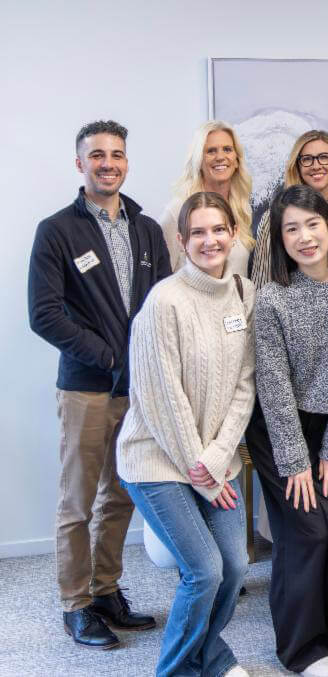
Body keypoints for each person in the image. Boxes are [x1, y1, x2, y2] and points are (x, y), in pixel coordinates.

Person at [28, 120, 167, 649]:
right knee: (78, 501)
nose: (108, 162)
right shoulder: (57, 230)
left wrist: (147, 365)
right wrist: (109, 356)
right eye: (97, 155)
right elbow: (44, 315)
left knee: (121, 495)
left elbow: (160, 306)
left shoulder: (147, 228)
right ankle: (76, 603)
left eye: (117, 154)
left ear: (126, 161)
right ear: (79, 162)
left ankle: (106, 589)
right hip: (87, 388)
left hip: (139, 391)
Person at [116, 192, 254, 677]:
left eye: (218, 229)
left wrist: (217, 459)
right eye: (198, 232)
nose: (209, 240)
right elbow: (163, 403)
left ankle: (209, 655)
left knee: (236, 566)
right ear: (181, 240)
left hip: (214, 462)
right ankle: (175, 670)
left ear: (232, 234)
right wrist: (204, 475)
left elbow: (245, 385)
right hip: (156, 460)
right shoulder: (164, 301)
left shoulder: (243, 294)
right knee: (205, 572)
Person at [244, 184, 328, 677]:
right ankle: (303, 650)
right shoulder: (271, 299)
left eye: (312, 224)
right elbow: (274, 390)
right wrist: (297, 463)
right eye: (291, 228)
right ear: (279, 240)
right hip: (280, 429)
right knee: (306, 531)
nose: (304, 237)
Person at [160, 121, 255, 277]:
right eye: (211, 151)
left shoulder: (242, 209)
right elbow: (160, 278)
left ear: (237, 160)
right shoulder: (177, 210)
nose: (220, 157)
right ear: (198, 160)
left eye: (227, 149)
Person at [250, 129, 328, 289]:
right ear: (297, 165)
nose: (316, 165)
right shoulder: (275, 216)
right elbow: (262, 282)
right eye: (307, 159)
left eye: (324, 157)